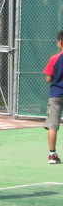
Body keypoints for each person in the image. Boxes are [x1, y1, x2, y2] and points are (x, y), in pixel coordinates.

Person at [44, 30, 63, 165]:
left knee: (53, 126)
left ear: (60, 42)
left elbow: (48, 78)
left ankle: (52, 155)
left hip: (56, 95)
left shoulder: (54, 58)